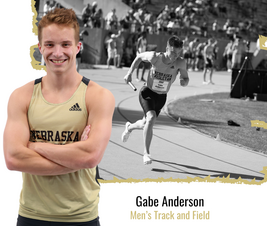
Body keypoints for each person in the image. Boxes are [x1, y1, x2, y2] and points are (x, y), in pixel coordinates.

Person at [3, 8, 115, 225]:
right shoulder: (21, 96)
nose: (57, 53)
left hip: (81, 217)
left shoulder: (98, 96)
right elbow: (13, 158)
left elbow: (90, 156)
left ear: (78, 47)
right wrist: (75, 156)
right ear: (40, 48)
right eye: (50, 44)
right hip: (31, 216)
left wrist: (34, 146)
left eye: (65, 44)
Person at [122, 36, 189, 165]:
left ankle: (129, 127)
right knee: (151, 118)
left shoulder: (180, 63)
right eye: (173, 52)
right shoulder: (155, 57)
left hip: (161, 97)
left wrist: (183, 82)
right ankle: (146, 153)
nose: (176, 56)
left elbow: (186, 79)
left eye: (178, 53)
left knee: (144, 123)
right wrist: (129, 73)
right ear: (167, 48)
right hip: (147, 92)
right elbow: (139, 57)